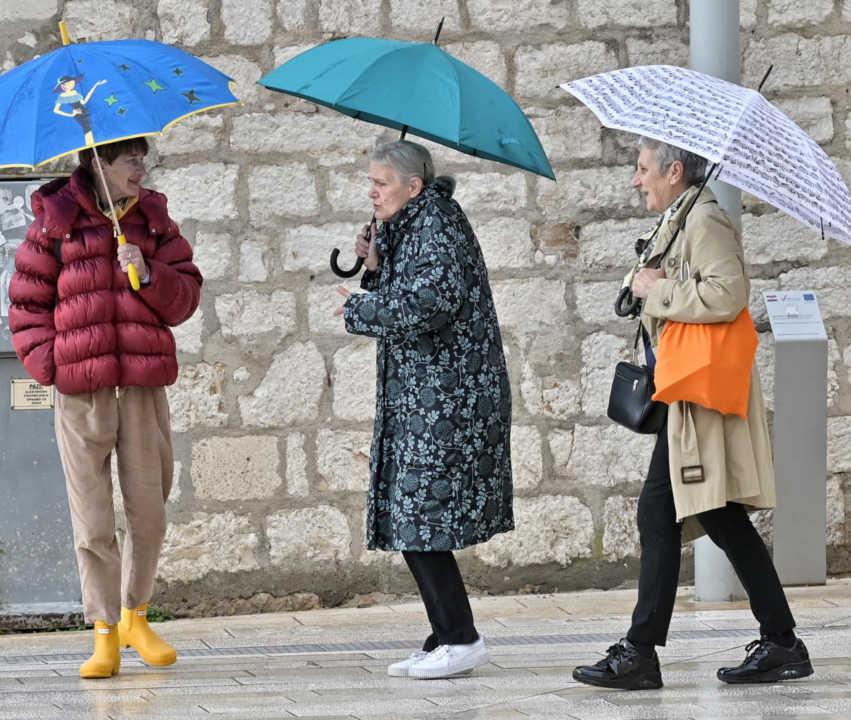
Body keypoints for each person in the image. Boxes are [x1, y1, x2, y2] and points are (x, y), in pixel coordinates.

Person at [572, 137, 813, 691]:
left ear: (674, 170)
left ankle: (642, 653)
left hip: (701, 396)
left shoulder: (705, 220)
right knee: (717, 517)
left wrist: (658, 289)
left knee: (664, 515)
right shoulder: (680, 219)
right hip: (688, 394)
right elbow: (661, 290)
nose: (636, 180)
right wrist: (642, 285)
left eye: (642, 168)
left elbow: (728, 294)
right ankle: (780, 642)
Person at [8, 137, 202, 679]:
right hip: (81, 392)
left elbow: (185, 296)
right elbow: (26, 302)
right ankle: (103, 633)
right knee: (92, 520)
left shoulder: (155, 221)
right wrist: (55, 367)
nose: (143, 167)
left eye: (144, 157)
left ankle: (135, 614)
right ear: (99, 164)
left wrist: (146, 270)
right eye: (131, 159)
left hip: (141, 386)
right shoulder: (55, 221)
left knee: (150, 512)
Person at [334, 140, 514, 680]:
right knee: (411, 514)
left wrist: (360, 306)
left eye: (381, 182)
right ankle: (444, 635)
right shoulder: (412, 226)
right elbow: (409, 292)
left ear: (414, 187)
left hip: (448, 400)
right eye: (370, 181)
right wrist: (374, 265)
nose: (372, 191)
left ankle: (461, 638)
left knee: (420, 517)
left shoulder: (435, 227)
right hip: (424, 397)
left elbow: (428, 305)